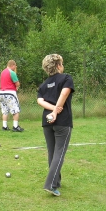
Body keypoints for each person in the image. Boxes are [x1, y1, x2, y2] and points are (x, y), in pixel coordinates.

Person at [37, 54, 74, 197]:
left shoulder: (43, 84)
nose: (63, 66)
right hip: (62, 121)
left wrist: (52, 111)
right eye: (62, 63)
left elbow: (40, 101)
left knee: (52, 152)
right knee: (59, 152)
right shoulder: (66, 78)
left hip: (47, 121)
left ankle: (56, 181)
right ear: (58, 65)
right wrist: (56, 111)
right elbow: (64, 93)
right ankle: (50, 184)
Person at [0, 60, 24, 132]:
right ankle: (15, 126)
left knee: (5, 110)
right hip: (10, 93)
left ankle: (4, 126)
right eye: (15, 66)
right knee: (15, 110)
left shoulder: (2, 72)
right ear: (13, 65)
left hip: (1, 93)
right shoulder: (12, 72)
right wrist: (17, 87)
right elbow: (17, 84)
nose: (15, 68)